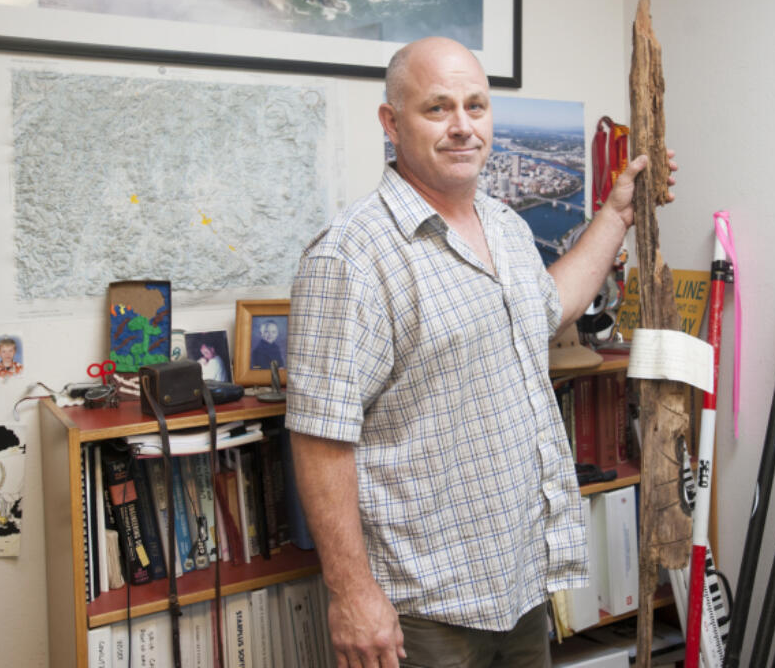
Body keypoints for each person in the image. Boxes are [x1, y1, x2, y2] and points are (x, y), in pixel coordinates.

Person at [285, 37, 675, 668]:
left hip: (518, 582)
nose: (462, 126)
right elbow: (320, 439)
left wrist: (616, 213)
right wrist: (353, 594)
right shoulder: (350, 256)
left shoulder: (505, 225)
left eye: (476, 106)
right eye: (438, 108)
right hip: (425, 610)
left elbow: (552, 303)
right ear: (392, 123)